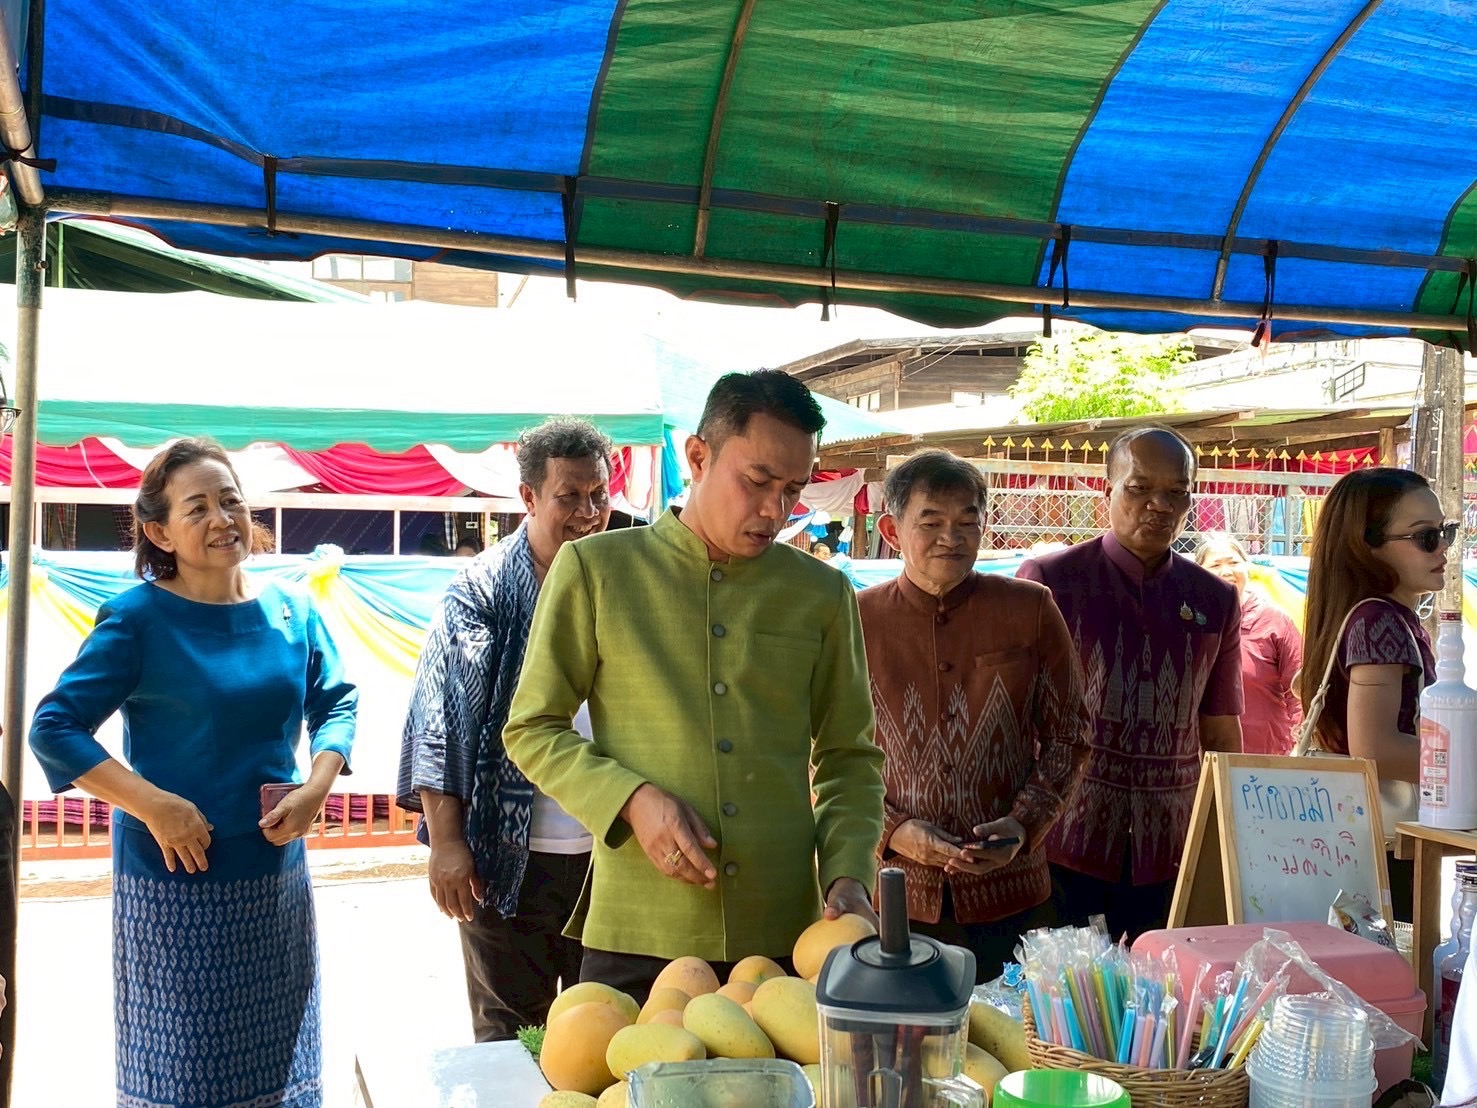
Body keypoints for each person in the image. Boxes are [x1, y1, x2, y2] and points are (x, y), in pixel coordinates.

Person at [504, 370, 885, 1004]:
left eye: (792, 489)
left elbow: (849, 754)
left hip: (785, 937)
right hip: (639, 929)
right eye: (757, 481)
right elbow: (532, 728)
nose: (774, 509)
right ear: (698, 457)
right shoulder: (597, 571)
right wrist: (630, 799)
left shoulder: (821, 593)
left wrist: (848, 872)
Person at [29, 438, 356, 1108]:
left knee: (278, 1059)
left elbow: (336, 701)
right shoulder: (137, 618)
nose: (222, 519)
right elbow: (54, 728)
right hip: (178, 878)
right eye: (197, 507)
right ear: (158, 531)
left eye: (230, 500)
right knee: (189, 1070)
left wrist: (317, 786)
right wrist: (151, 804)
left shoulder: (290, 608)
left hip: (274, 877)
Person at [397, 418, 614, 1042]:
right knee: (510, 1033)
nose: (588, 512)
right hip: (504, 855)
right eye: (568, 496)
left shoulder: (621, 580)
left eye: (597, 494)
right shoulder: (482, 590)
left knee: (603, 1032)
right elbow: (441, 716)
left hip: (611, 854)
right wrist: (446, 842)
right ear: (528, 499)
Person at [858, 450, 1091, 981]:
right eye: (932, 522)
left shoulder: (1030, 609)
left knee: (1014, 1044)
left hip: (1013, 894)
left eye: (968, 521)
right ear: (893, 530)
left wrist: (1023, 823)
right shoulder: (855, 619)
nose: (952, 537)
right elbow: (819, 753)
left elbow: (1070, 737)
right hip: (893, 895)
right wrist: (891, 830)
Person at [1017, 426, 1243, 941]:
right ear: (1108, 491)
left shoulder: (1215, 599)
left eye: (1176, 493)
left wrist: (1227, 840)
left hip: (1170, 853)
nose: (1158, 505)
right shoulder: (1051, 582)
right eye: (1139, 489)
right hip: (1062, 843)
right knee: (1062, 1006)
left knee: (1158, 1004)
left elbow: (1221, 732)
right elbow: (1013, 713)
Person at [1299, 467, 1449, 921]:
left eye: (1446, 532)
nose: (1443, 548)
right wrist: (1460, 762)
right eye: (1426, 537)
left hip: (1362, 840)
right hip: (1382, 844)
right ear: (1368, 546)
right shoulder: (1379, 620)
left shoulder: (1378, 616)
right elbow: (1375, 747)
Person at [1195, 533, 1304, 755]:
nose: (1227, 572)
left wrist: (1299, 749)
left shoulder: (1274, 621)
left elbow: (1300, 693)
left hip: (1265, 758)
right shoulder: (1190, 620)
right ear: (1198, 573)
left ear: (1247, 567)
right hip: (1203, 757)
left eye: (1234, 562)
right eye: (1215, 565)